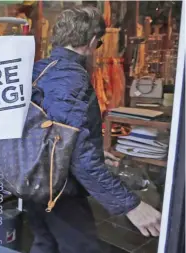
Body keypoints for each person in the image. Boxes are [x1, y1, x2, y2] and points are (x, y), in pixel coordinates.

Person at [26, 6, 162, 253]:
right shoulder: (73, 79)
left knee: (45, 243)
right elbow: (76, 153)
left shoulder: (39, 69)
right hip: (60, 190)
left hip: (34, 179)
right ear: (90, 41)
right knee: (81, 248)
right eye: (99, 43)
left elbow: (54, 130)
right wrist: (130, 205)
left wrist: (95, 150)